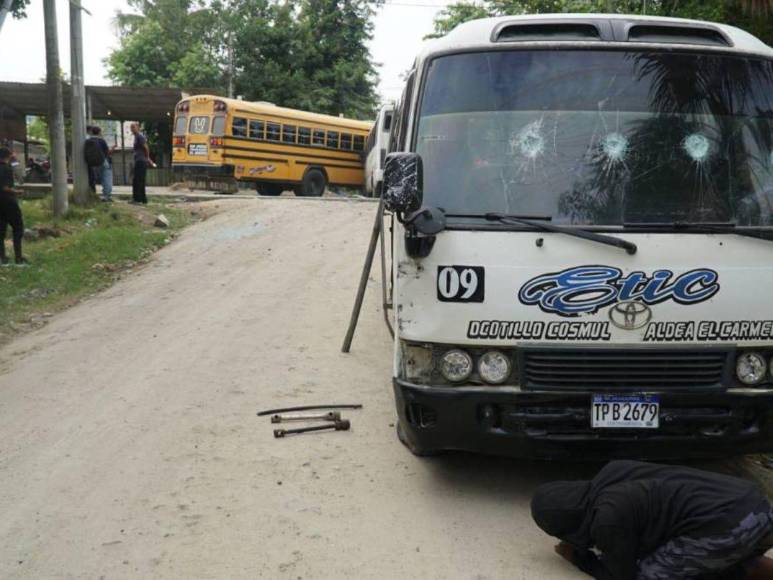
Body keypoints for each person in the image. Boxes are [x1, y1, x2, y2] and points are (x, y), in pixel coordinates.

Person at [531, 460, 773, 580]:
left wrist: (578, 558)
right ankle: (742, 562)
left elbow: (622, 576)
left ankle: (735, 563)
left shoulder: (606, 520)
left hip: (731, 527)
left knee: (649, 574)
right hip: (756, 505)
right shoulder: (613, 471)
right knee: (718, 558)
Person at [0, 147, 28, 265]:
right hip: (9, 202)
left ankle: (2, 258)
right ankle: (18, 258)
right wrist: (17, 192)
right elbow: (5, 187)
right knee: (18, 228)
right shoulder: (7, 168)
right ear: (9, 156)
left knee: (1, 230)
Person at [85, 126, 113, 202]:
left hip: (93, 163)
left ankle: (93, 194)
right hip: (103, 162)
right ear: (99, 132)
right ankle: (107, 196)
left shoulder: (88, 141)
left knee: (96, 178)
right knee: (107, 178)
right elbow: (107, 152)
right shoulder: (102, 141)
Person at [130, 123, 155, 204]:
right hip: (138, 160)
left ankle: (138, 199)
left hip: (141, 161)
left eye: (133, 127)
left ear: (138, 128)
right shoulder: (136, 137)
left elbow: (146, 147)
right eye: (131, 127)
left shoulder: (140, 136)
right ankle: (142, 199)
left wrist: (147, 158)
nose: (132, 129)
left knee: (138, 180)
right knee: (138, 180)